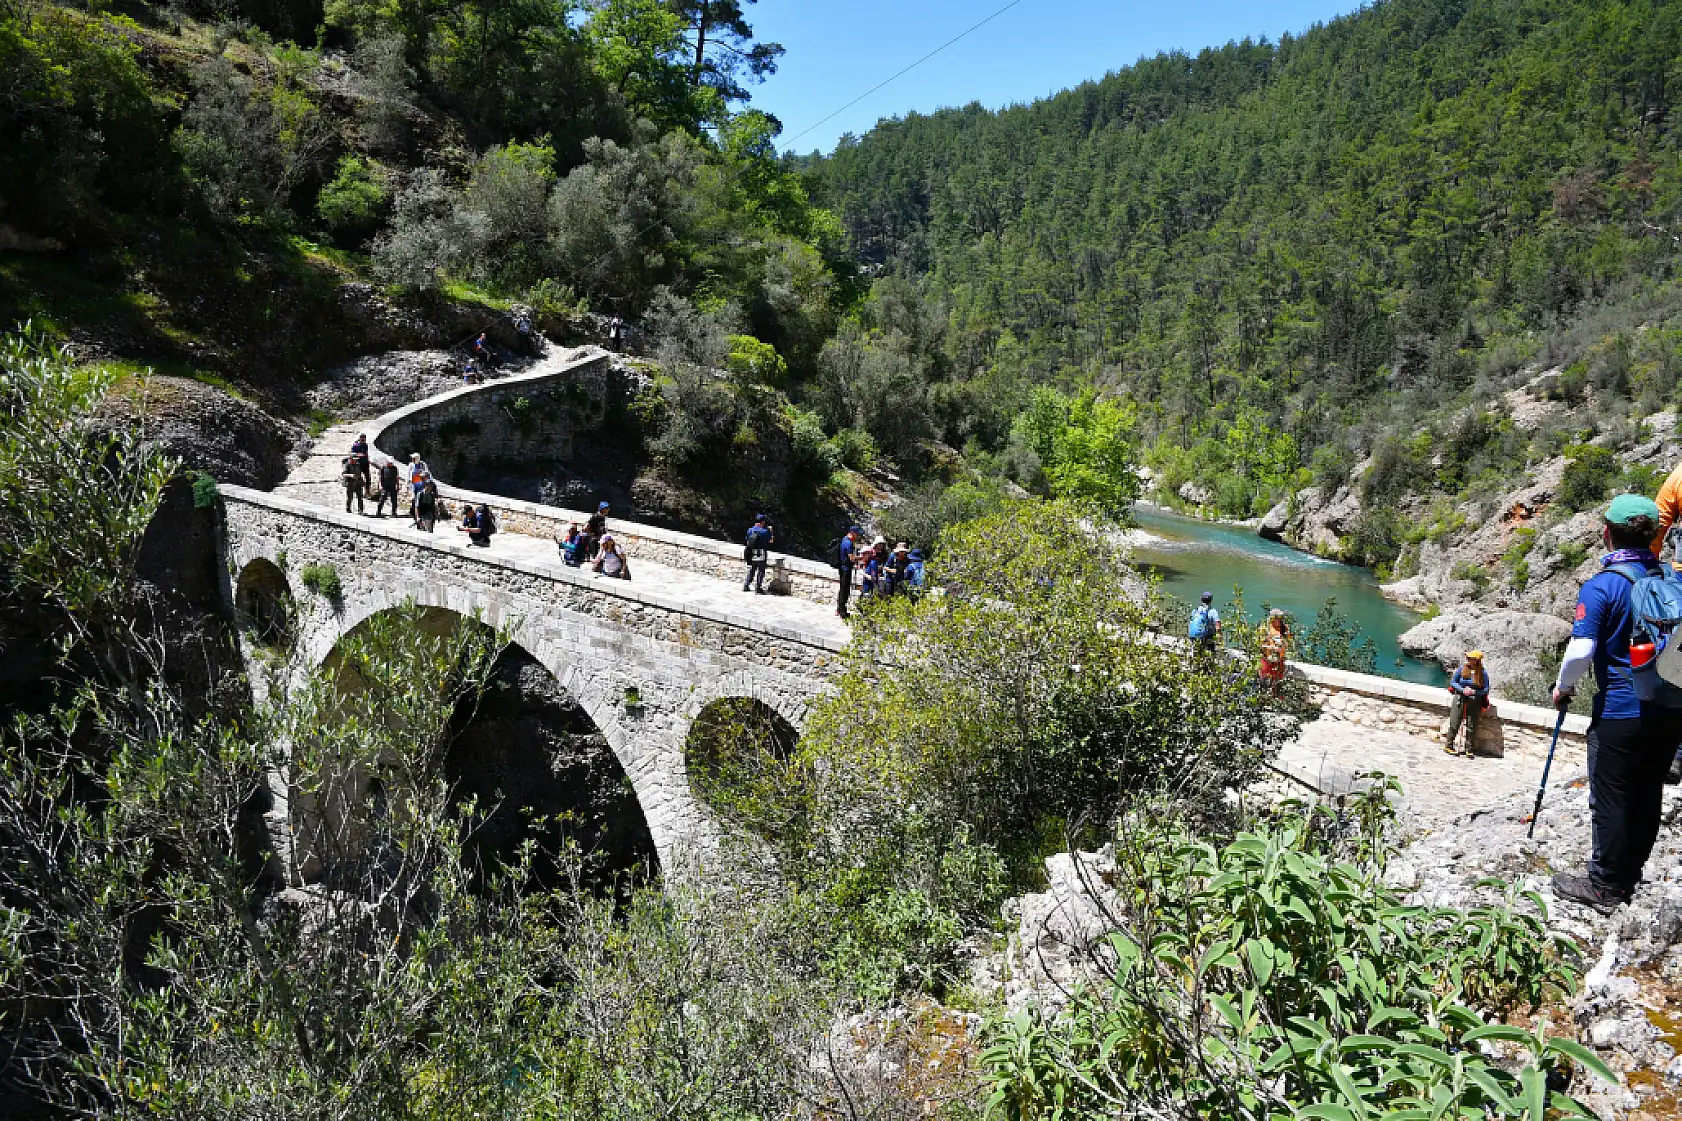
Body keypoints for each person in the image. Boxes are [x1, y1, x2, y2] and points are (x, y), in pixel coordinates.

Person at [1551, 494, 1682, 912]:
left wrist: (1562, 687)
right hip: (1670, 708)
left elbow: (1580, 651)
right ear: (1654, 534)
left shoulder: (1603, 585)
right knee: (1647, 794)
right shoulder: (1671, 579)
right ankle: (1631, 874)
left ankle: (1605, 886)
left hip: (1620, 711)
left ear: (1606, 533)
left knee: (1611, 796)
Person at [1444, 650, 1491, 756]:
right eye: (1468, 658)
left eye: (1471, 658)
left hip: (1475, 700)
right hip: (1460, 698)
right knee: (1455, 721)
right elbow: (1453, 682)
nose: (1468, 660)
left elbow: (1486, 689)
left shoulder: (1483, 673)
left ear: (1477, 660)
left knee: (1472, 725)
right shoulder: (1462, 669)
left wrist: (1474, 692)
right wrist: (1462, 690)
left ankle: (1469, 748)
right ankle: (1449, 745)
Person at [1258, 609, 1291, 691]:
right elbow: (1259, 645)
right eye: (1278, 617)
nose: (1280, 619)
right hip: (1267, 660)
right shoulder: (1265, 628)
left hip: (1279, 661)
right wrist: (1272, 648)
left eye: (1281, 617)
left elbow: (1288, 642)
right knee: (1264, 682)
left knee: (1277, 683)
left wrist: (1283, 646)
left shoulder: (1284, 628)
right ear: (1272, 618)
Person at [743, 513, 774, 594]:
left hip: (751, 552)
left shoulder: (750, 530)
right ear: (763, 522)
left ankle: (746, 584)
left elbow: (747, 540)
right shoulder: (765, 532)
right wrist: (770, 531)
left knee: (752, 569)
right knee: (761, 570)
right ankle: (758, 587)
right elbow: (771, 541)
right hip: (761, 553)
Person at [835, 526, 862, 619]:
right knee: (845, 590)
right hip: (846, 569)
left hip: (842, 568)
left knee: (842, 588)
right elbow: (851, 558)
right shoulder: (849, 543)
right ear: (853, 533)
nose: (858, 536)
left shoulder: (844, 540)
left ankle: (839, 609)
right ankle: (842, 611)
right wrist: (862, 558)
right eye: (857, 534)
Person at [408, 453, 431, 522]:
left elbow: (427, 473)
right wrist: (408, 484)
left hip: (421, 486)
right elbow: (408, 474)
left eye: (413, 458)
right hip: (414, 486)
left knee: (420, 500)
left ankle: (420, 514)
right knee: (413, 500)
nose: (412, 459)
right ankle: (413, 514)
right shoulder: (411, 465)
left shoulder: (423, 465)